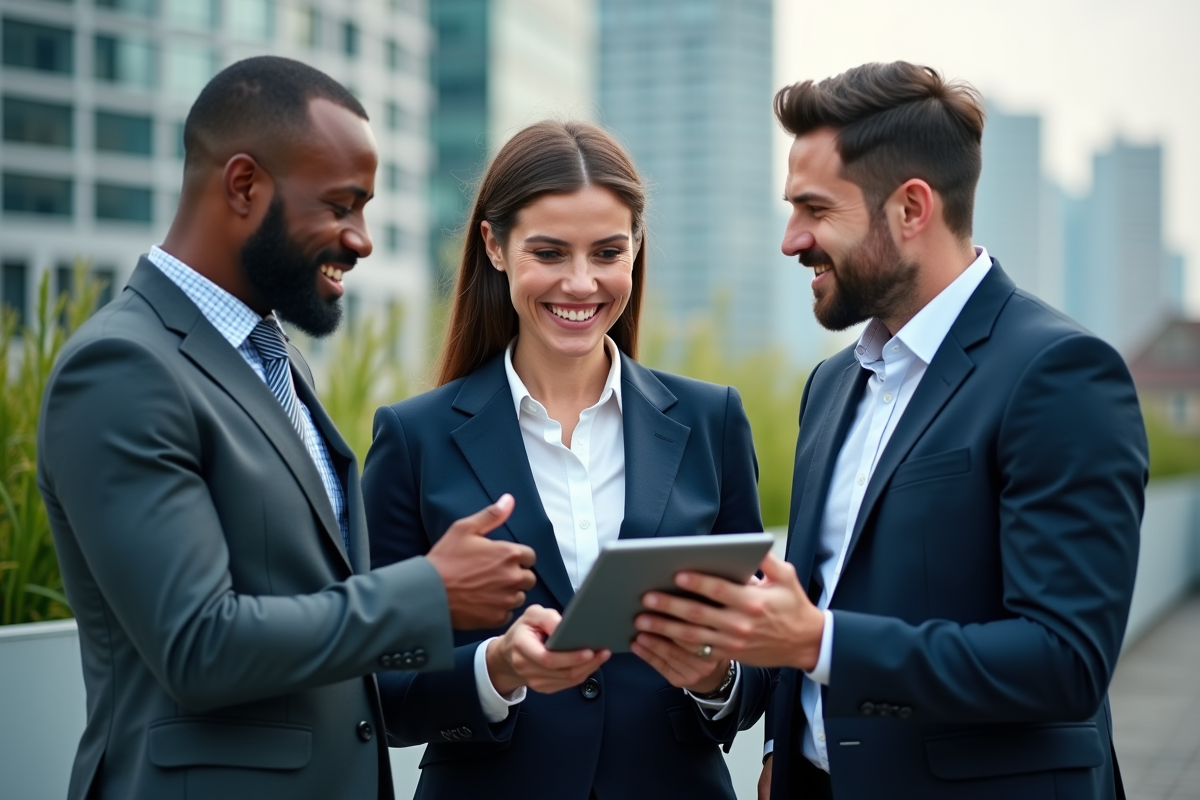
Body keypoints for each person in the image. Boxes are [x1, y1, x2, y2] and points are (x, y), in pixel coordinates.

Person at [632, 62, 1147, 800]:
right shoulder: (831, 386)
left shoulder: (1060, 374)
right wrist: (739, 690)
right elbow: (815, 607)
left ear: (911, 208)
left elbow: (1064, 660)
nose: (791, 240)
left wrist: (819, 642)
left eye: (814, 208)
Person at [36, 56, 537, 800]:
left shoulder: (276, 362)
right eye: (341, 205)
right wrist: (428, 591)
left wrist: (489, 659)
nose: (361, 239)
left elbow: (318, 610)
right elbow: (198, 646)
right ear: (243, 186)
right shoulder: (120, 368)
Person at [361, 120, 772, 800]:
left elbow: (762, 655)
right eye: (549, 253)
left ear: (636, 248)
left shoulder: (711, 421)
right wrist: (495, 669)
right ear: (494, 246)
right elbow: (379, 686)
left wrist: (716, 676)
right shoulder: (415, 438)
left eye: (608, 252)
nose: (581, 284)